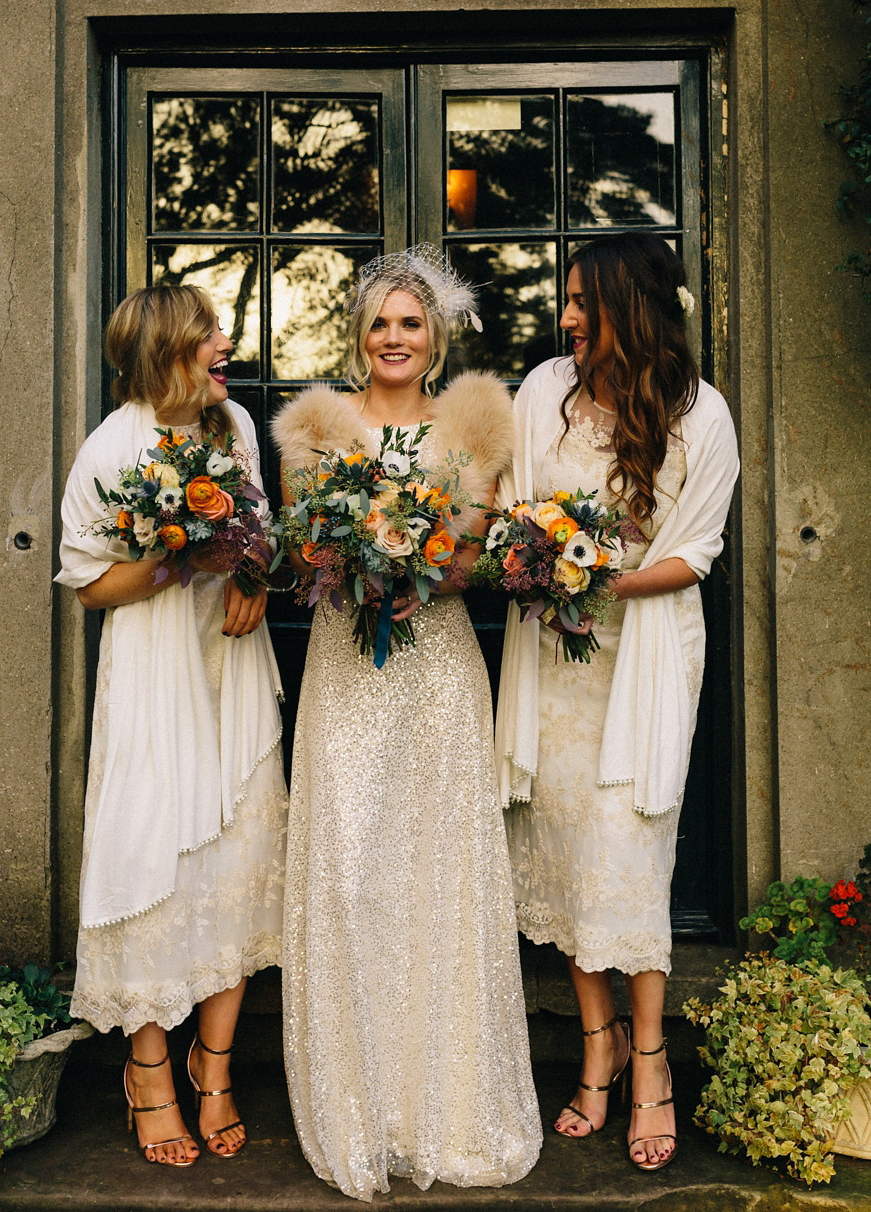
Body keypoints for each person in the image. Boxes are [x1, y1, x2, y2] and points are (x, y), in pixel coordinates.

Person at [272, 247, 542, 1202]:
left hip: (439, 669)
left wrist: (426, 562)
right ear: (359, 335)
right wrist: (351, 560)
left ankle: (449, 1105)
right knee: (352, 872)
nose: (394, 338)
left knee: (438, 874)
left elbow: (499, 558)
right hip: (347, 669)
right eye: (380, 323)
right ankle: (363, 1108)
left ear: (435, 339)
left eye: (410, 323)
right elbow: (300, 561)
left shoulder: (474, 430)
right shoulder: (313, 432)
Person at [495, 232, 739, 1172]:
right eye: (564, 301)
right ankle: (595, 1048)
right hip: (554, 665)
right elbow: (518, 503)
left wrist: (599, 582)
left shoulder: (699, 414)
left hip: (639, 658)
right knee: (561, 850)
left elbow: (696, 552)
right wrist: (537, 559)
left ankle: (650, 1062)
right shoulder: (542, 392)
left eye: (581, 303)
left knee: (625, 855)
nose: (564, 317)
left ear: (628, 311)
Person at [55, 284, 288, 1167]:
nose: (225, 346)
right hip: (156, 672)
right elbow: (90, 583)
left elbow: (259, 536)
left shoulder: (232, 433)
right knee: (152, 857)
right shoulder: (113, 447)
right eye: (207, 339)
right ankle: (148, 1072)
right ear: (163, 354)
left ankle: (215, 1068)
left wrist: (250, 577)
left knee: (237, 856)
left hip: (227, 671)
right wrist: (169, 557)